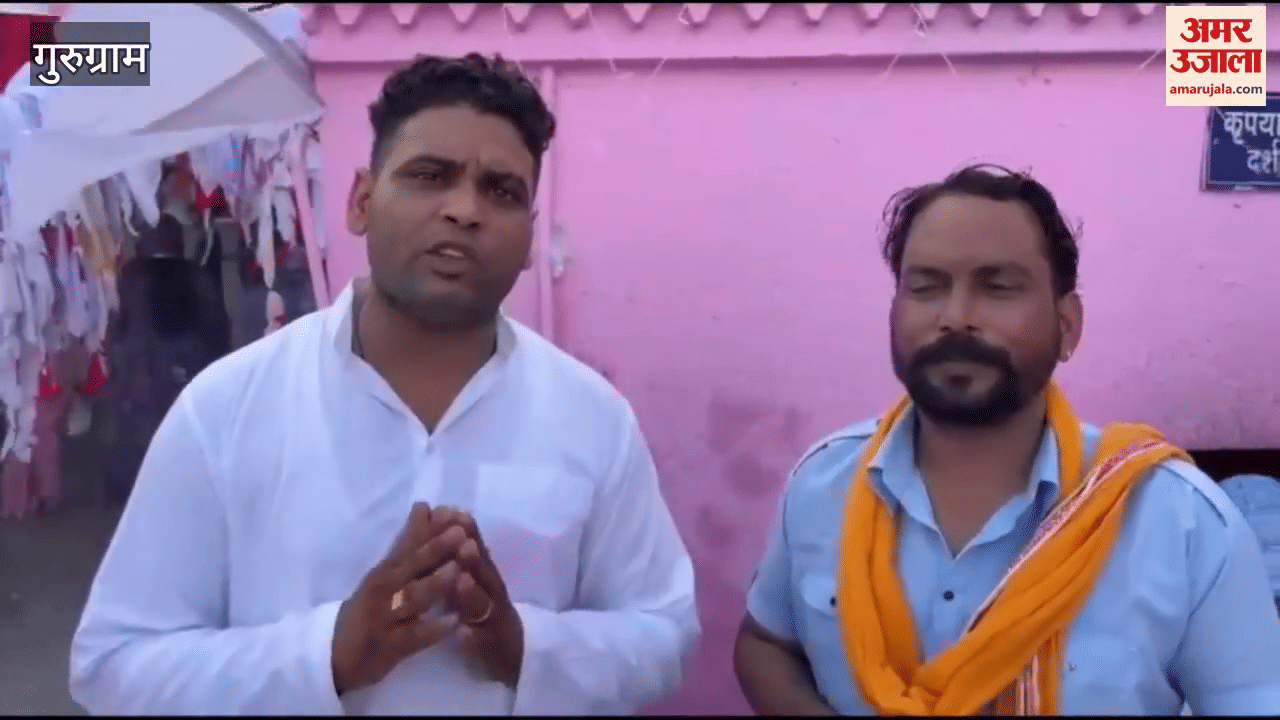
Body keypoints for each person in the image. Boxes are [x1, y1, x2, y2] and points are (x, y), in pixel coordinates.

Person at [70, 53, 699, 715]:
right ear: (362, 201)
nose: (464, 210)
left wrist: (529, 651)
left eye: (502, 190)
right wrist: (329, 654)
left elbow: (664, 632)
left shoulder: (592, 418)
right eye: (431, 176)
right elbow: (115, 663)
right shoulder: (226, 407)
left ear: (530, 235)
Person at [734, 164, 1280, 716]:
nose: (955, 317)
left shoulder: (1179, 521)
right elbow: (767, 644)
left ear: (1068, 325)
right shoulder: (824, 485)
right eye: (925, 287)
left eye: (997, 288)